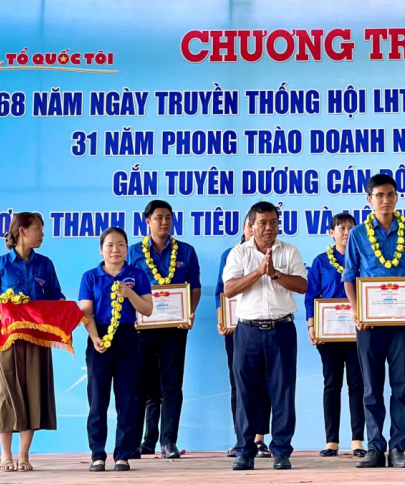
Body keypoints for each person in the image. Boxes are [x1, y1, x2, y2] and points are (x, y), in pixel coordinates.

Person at [343, 174, 405, 469]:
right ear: (369, 200)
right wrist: (357, 311)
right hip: (369, 325)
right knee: (371, 388)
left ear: (397, 197)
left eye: (390, 194)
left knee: (401, 387)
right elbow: (349, 276)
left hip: (404, 325)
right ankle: (375, 448)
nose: (385, 200)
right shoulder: (358, 234)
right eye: (379, 195)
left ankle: (398, 449)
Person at [224, 202, 308, 471]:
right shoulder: (239, 253)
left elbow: (302, 285)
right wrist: (259, 272)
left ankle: (281, 451)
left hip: (282, 330)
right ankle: (244, 452)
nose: (269, 227)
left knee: (283, 392)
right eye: (262, 223)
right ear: (251, 225)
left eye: (273, 222)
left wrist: (275, 274)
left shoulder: (290, 251)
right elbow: (229, 289)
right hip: (247, 331)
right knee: (246, 393)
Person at [0, 212, 65, 472]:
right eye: (38, 229)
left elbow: (57, 297)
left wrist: (65, 310)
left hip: (38, 338)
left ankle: (24, 455)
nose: (42, 234)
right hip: (7, 340)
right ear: (22, 231)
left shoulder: (45, 265)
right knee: (6, 394)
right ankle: (5, 456)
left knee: (33, 393)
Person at [129, 200, 201, 459]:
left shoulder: (186, 251)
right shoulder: (133, 252)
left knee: (171, 385)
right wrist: (131, 319)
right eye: (159, 217)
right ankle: (141, 441)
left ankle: (168, 441)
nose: (164, 222)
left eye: (168, 217)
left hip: (174, 328)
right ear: (147, 221)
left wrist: (189, 312)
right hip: (142, 329)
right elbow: (125, 287)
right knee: (142, 386)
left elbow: (194, 287)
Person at [80, 227, 154, 472]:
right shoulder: (90, 277)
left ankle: (123, 454)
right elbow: (86, 313)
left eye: (121, 244)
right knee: (97, 400)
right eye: (110, 245)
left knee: (127, 399)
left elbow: (147, 309)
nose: (115, 249)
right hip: (99, 337)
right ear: (101, 250)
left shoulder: (137, 274)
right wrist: (94, 338)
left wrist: (130, 293)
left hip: (127, 337)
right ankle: (97, 455)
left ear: (127, 248)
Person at [305, 213, 366, 458]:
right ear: (331, 233)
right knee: (331, 384)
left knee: (357, 385)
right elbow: (311, 295)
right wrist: (312, 325)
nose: (346, 232)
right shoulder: (321, 261)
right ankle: (331, 441)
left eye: (351, 228)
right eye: (341, 228)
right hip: (328, 333)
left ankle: (358, 440)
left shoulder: (364, 259)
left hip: (358, 332)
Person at [216, 219, 272, 458]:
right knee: (239, 383)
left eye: (258, 224)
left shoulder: (273, 252)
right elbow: (221, 290)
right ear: (245, 228)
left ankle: (259, 438)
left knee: (266, 382)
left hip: (267, 327)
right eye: (251, 225)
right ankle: (242, 437)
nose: (255, 229)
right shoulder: (231, 254)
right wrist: (222, 319)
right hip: (237, 328)